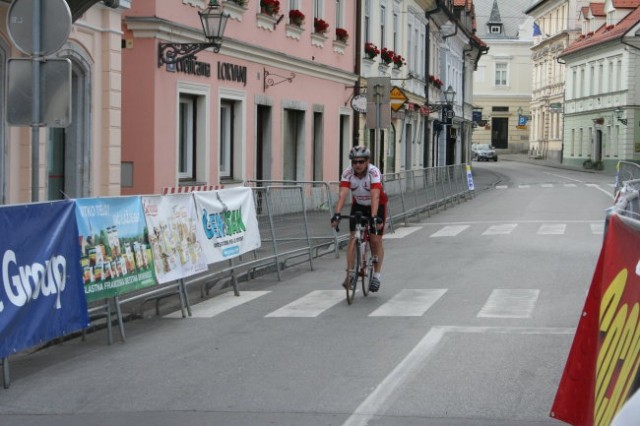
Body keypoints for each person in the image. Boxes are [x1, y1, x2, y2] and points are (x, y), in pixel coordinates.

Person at [330, 145, 388, 292]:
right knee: (352, 238)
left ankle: (376, 275)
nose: (357, 165)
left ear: (368, 161)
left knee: (375, 239)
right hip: (359, 205)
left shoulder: (374, 172)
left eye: (361, 161)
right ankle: (350, 274)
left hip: (377, 205)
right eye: (354, 162)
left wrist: (374, 217)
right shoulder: (348, 173)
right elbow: (343, 194)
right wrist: (337, 213)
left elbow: (375, 195)